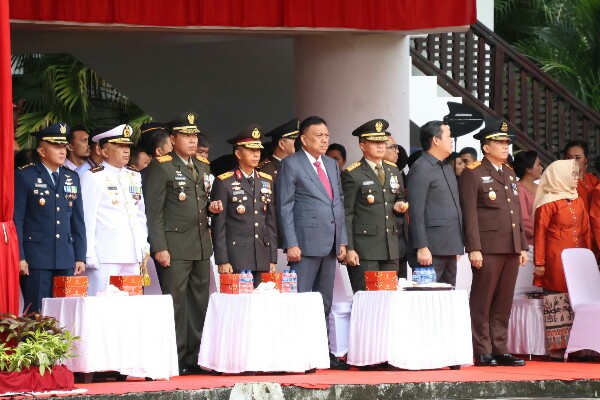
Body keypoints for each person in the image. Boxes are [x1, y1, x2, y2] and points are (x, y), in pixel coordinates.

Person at [144, 111, 223, 375]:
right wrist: (159, 247)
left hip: (200, 243)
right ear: (173, 138)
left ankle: (195, 355)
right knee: (175, 302)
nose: (192, 140)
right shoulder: (161, 165)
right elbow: (153, 211)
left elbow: (200, 200)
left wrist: (211, 208)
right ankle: (175, 357)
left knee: (199, 301)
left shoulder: (202, 165)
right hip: (174, 246)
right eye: (186, 136)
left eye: (194, 136)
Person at [276, 116, 349, 370]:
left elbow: (338, 202)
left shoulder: (330, 163)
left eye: (326, 135)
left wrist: (343, 240)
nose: (324, 139)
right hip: (304, 244)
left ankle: (322, 351)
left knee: (324, 300)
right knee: (301, 299)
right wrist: (290, 243)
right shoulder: (291, 164)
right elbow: (284, 206)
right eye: (318, 135)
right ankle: (300, 351)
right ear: (303, 139)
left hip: (330, 243)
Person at [459, 118, 528, 367]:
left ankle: (500, 348)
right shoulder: (474, 172)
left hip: (509, 246)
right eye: (499, 142)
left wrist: (521, 245)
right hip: (487, 246)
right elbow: (469, 213)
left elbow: (515, 211)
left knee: (503, 300)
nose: (504, 146)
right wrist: (474, 247)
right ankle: (482, 349)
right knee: (482, 299)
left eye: (506, 142)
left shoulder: (508, 173)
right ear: (486, 147)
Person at [14, 123, 86, 313]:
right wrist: (20, 256)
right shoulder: (25, 176)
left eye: (64, 147)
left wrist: (80, 256)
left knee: (64, 311)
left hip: (65, 255)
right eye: (56, 146)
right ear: (41, 150)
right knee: (36, 312)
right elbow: (17, 219)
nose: (62, 152)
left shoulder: (72, 177)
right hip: (36, 257)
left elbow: (77, 220)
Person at [80, 124, 148, 296]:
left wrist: (142, 244)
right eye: (119, 146)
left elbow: (140, 214)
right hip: (105, 254)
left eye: (127, 146)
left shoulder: (134, 176)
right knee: (102, 302)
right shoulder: (93, 176)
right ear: (103, 151)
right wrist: (88, 254)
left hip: (132, 252)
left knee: (131, 304)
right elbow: (87, 217)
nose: (126, 151)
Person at [341, 119, 408, 292]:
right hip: (365, 250)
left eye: (382, 142)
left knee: (389, 300)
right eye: (374, 142)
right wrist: (349, 248)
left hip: (390, 247)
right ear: (363, 146)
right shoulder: (353, 174)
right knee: (366, 300)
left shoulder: (393, 170)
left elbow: (398, 197)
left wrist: (400, 205)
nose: (380, 146)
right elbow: (346, 214)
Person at [533, 159, 590, 360]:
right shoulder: (547, 202)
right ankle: (559, 349)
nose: (577, 178)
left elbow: (586, 230)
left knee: (579, 301)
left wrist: (589, 258)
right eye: (573, 174)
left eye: (577, 174)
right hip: (556, 259)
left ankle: (581, 347)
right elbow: (539, 234)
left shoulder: (577, 199)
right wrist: (539, 263)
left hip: (577, 258)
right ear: (560, 176)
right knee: (558, 300)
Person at [211, 126, 277, 285]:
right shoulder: (225, 181)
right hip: (236, 256)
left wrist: (272, 257)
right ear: (238, 153)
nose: (256, 154)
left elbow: (270, 222)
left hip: (261, 254)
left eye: (258, 150)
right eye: (250, 150)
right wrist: (222, 259)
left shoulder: (266, 180)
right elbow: (219, 225)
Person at [407, 121, 463, 286]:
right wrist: (422, 246)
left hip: (449, 247)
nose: (452, 139)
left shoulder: (446, 167)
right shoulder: (421, 168)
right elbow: (416, 211)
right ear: (436, 140)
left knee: (447, 300)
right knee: (426, 299)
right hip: (430, 249)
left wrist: (457, 245)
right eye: (448, 135)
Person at [385, 136, 409, 278]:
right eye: (393, 147)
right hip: (378, 245)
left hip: (399, 242)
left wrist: (399, 206)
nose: (397, 151)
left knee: (400, 292)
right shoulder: (359, 173)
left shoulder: (395, 173)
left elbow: (399, 199)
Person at [514, 150, 543, 246]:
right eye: (538, 165)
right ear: (529, 169)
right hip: (529, 244)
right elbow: (525, 221)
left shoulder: (540, 188)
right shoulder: (518, 189)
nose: (542, 168)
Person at [563, 140, 598, 210]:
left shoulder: (592, 179)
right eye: (569, 157)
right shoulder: (562, 182)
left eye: (577, 158)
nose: (572, 161)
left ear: (586, 159)